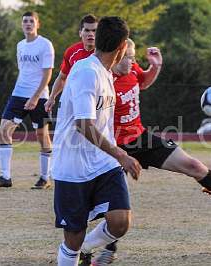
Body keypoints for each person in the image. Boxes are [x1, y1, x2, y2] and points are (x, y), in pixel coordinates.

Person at [79, 38, 211, 265]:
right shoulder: (102, 79)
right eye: (128, 57)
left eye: (134, 57)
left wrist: (155, 67)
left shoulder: (132, 69)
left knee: (194, 166)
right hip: (113, 148)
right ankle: (93, 248)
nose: (133, 62)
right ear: (115, 55)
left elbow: (142, 82)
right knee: (113, 208)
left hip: (141, 138)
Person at [52, 16, 142, 266]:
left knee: (120, 221)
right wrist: (121, 155)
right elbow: (83, 124)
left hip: (103, 164)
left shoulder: (105, 73)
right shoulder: (85, 73)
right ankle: (75, 252)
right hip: (73, 167)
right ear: (123, 46)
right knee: (73, 236)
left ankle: (85, 250)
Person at [0, 11, 54, 189]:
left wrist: (35, 97)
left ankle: (45, 178)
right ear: (22, 25)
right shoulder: (20, 45)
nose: (28, 24)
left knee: (42, 136)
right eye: (25, 21)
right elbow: (23, 71)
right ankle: (5, 177)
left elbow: (47, 74)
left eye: (31, 21)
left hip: (40, 96)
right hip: (18, 94)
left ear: (38, 24)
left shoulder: (45, 44)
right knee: (3, 131)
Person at [44, 14, 98, 113]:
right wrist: (52, 97)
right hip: (76, 100)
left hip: (99, 101)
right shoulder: (71, 52)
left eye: (94, 31)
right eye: (87, 30)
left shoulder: (105, 52)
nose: (91, 34)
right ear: (80, 33)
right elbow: (62, 78)